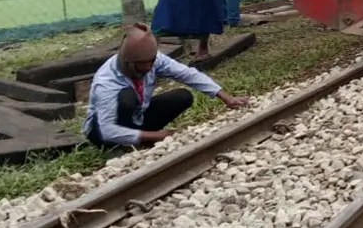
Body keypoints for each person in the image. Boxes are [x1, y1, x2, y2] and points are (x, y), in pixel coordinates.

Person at [84, 23, 248, 146]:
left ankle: (141, 136)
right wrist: (157, 136)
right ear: (129, 63)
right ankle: (128, 142)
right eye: (143, 64)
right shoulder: (106, 81)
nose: (149, 67)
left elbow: (187, 74)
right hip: (101, 132)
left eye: (152, 62)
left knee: (182, 96)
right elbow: (107, 130)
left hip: (138, 116)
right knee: (127, 98)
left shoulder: (154, 60)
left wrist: (225, 97)